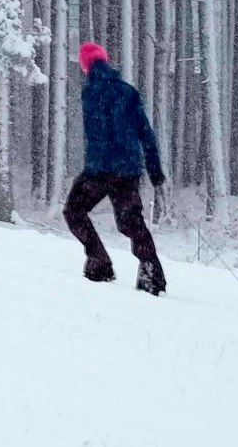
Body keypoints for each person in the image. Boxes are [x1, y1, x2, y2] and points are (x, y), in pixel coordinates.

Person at [62, 42, 167, 295]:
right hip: (127, 169)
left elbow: (99, 133)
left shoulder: (89, 93)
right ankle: (152, 273)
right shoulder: (127, 92)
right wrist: (154, 169)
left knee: (74, 210)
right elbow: (145, 132)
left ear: (86, 66)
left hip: (98, 169)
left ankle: (99, 262)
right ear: (107, 62)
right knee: (130, 221)